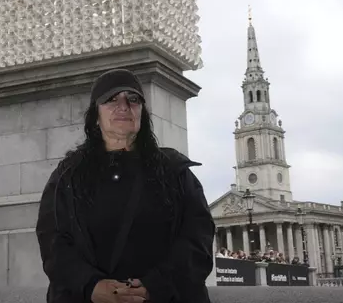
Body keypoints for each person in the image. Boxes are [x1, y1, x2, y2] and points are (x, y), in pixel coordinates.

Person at [36, 69, 215, 303]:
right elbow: (53, 242)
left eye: (133, 100)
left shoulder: (175, 172)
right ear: (95, 116)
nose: (123, 106)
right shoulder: (67, 177)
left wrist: (156, 285)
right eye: (111, 99)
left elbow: (197, 240)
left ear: (142, 113)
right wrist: (91, 285)